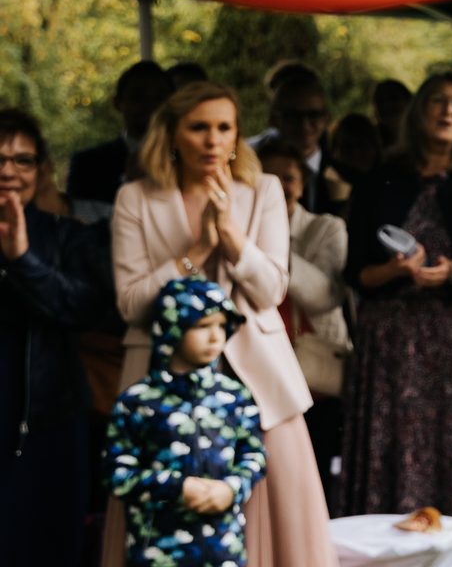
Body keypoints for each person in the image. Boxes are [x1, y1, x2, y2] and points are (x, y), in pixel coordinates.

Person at [105, 81, 335, 567]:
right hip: (161, 384)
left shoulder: (265, 190)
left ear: (237, 136)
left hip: (259, 383)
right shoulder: (135, 198)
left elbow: (272, 289)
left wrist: (232, 241)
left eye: (224, 128)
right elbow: (131, 304)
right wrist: (194, 256)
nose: (212, 140)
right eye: (199, 127)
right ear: (171, 133)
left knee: (282, 533)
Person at [338, 72, 452, 544]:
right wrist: (396, 272)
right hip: (389, 342)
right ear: (418, 111)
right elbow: (354, 274)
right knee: (390, 446)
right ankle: (383, 549)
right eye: (438, 101)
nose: (449, 111)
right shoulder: (380, 179)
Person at [0, 108, 115, 565]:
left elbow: (83, 309)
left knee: (45, 544)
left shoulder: (70, 237)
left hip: (45, 414)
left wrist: (23, 259)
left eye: (23, 160)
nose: (8, 170)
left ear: (42, 170)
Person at [104, 276, 267, 567]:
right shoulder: (138, 402)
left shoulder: (235, 396)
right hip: (157, 551)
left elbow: (254, 456)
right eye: (202, 326)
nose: (216, 336)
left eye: (221, 325)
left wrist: (231, 488)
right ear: (172, 327)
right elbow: (117, 474)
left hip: (222, 548)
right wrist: (176, 488)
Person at [253, 146, 351, 498]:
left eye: (288, 177)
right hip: (260, 365)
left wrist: (267, 242)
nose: (278, 185)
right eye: (268, 177)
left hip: (311, 368)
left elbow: (324, 294)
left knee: (313, 475)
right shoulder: (241, 231)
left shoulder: (325, 228)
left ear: (303, 183)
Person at [68, 61, 174, 225]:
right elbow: (78, 229)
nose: (149, 106)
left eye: (158, 98)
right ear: (118, 102)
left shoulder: (188, 159)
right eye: (138, 97)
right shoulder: (88, 164)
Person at [268, 73, 344, 216]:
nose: (304, 125)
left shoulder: (343, 174)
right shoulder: (257, 170)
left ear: (326, 118)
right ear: (275, 119)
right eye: (293, 116)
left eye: (313, 115)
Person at [371, 79, 413, 151]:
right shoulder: (370, 138)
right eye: (381, 101)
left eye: (393, 99)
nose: (387, 106)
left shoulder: (426, 135)